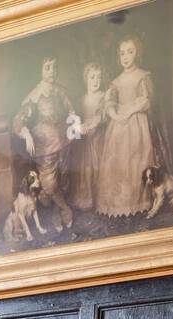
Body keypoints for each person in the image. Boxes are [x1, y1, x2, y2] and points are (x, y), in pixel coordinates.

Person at [95, 35, 162, 219]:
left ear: (137, 53)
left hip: (137, 124)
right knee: (118, 161)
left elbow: (147, 100)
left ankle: (138, 201)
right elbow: (109, 101)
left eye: (130, 52)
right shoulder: (115, 81)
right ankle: (118, 204)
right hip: (119, 126)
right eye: (122, 53)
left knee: (136, 160)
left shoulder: (143, 76)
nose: (125, 57)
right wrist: (115, 114)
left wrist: (131, 110)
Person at [12, 55, 73, 232]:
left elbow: (71, 109)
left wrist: (72, 119)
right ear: (40, 70)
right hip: (44, 144)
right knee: (49, 183)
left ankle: (56, 210)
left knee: (64, 178)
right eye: (47, 67)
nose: (51, 71)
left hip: (64, 139)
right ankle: (64, 208)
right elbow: (18, 120)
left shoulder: (61, 91)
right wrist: (26, 133)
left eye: (54, 67)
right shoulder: (35, 95)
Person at [69, 61, 107, 213]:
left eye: (98, 77)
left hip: (99, 137)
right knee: (86, 169)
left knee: (99, 167)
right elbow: (75, 117)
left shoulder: (103, 96)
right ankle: (88, 199)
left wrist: (91, 125)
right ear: (86, 79)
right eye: (92, 77)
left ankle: (102, 200)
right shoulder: (81, 99)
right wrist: (79, 127)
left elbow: (101, 116)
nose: (96, 81)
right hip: (85, 139)